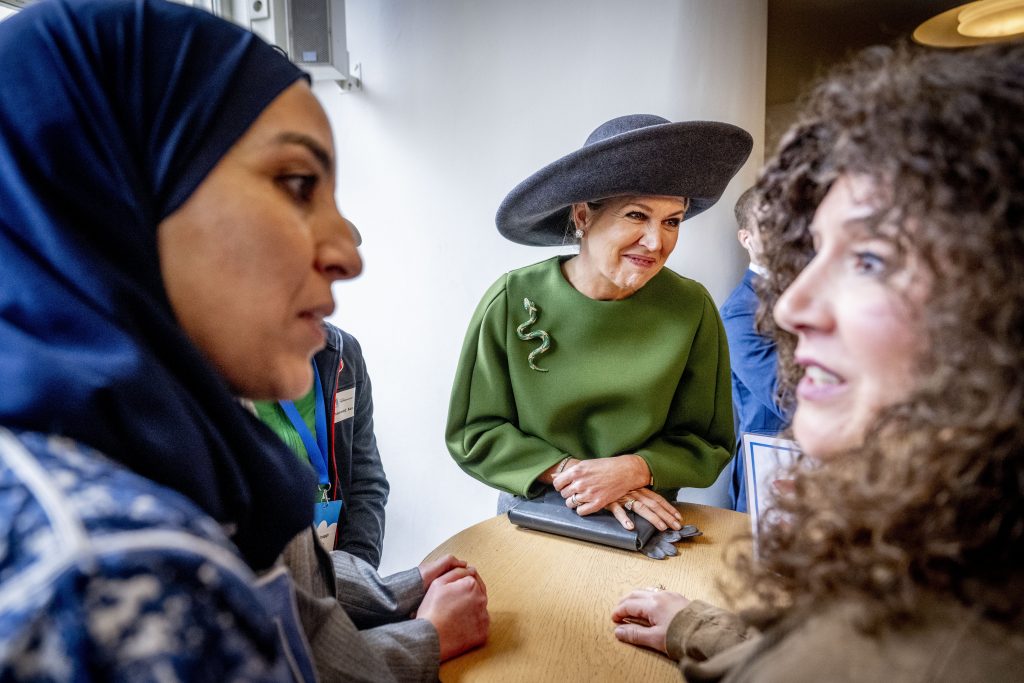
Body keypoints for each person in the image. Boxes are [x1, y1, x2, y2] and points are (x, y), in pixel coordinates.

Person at [0, 0, 487, 679]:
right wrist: (423, 636)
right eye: (295, 182)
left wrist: (392, 586)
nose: (349, 250)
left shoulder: (180, 436)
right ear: (116, 186)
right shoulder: (111, 574)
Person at [612, 42, 1024, 680]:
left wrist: (641, 466)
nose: (792, 307)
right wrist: (699, 625)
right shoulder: (944, 542)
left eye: (870, 260)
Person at [447, 114, 751, 532]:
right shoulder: (513, 299)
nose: (655, 241)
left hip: (643, 520)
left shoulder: (690, 307)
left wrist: (632, 471)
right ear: (583, 216)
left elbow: (707, 440)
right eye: (635, 215)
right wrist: (575, 475)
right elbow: (475, 431)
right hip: (539, 511)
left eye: (671, 221)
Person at [254, 318, 390, 567]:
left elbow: (366, 482)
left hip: (342, 570)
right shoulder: (214, 366)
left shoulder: (342, 353)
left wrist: (358, 573)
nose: (328, 301)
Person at [719, 187, 788, 512]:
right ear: (745, 238)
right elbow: (786, 398)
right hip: (772, 461)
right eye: (768, 224)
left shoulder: (811, 291)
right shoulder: (740, 311)